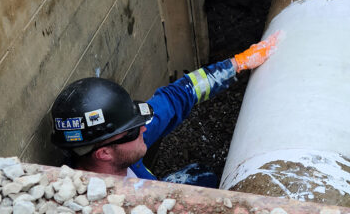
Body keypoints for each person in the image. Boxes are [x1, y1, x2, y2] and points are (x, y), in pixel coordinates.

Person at [50, 34, 278, 184]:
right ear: (104, 153)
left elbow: (177, 96)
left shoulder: (115, 141)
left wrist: (238, 64)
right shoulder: (107, 211)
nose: (143, 130)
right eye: (133, 129)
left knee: (204, 177)